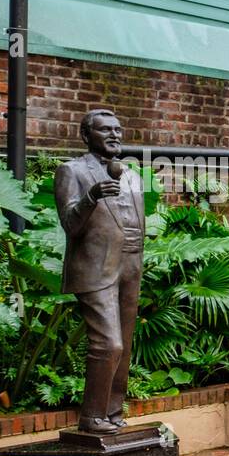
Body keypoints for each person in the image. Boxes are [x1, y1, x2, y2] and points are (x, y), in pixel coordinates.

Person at [54, 110, 145, 434]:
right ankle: (91, 416)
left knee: (126, 344)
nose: (114, 135)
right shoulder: (72, 171)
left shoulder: (133, 176)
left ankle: (113, 412)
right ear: (86, 135)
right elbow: (70, 225)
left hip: (130, 265)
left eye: (118, 129)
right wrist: (91, 197)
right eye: (105, 130)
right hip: (95, 267)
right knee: (109, 344)